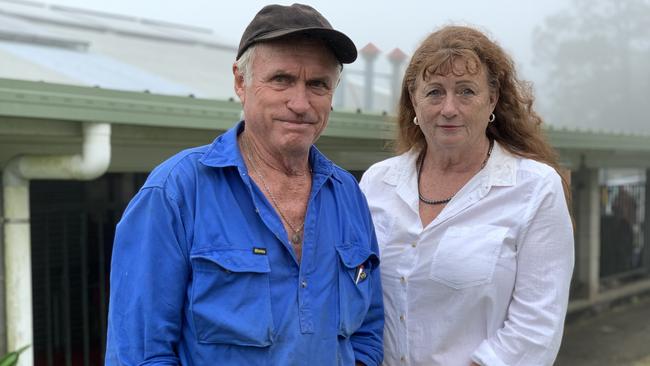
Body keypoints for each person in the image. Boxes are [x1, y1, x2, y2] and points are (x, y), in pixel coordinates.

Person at [105, 4, 383, 365]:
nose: (300, 103)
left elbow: (369, 331)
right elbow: (139, 353)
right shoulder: (175, 192)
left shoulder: (346, 193)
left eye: (318, 84)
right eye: (282, 79)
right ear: (240, 81)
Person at [359, 25, 574, 366]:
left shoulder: (535, 188)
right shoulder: (376, 182)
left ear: (492, 99)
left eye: (466, 91)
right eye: (434, 93)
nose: (448, 108)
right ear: (413, 100)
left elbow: (535, 330)